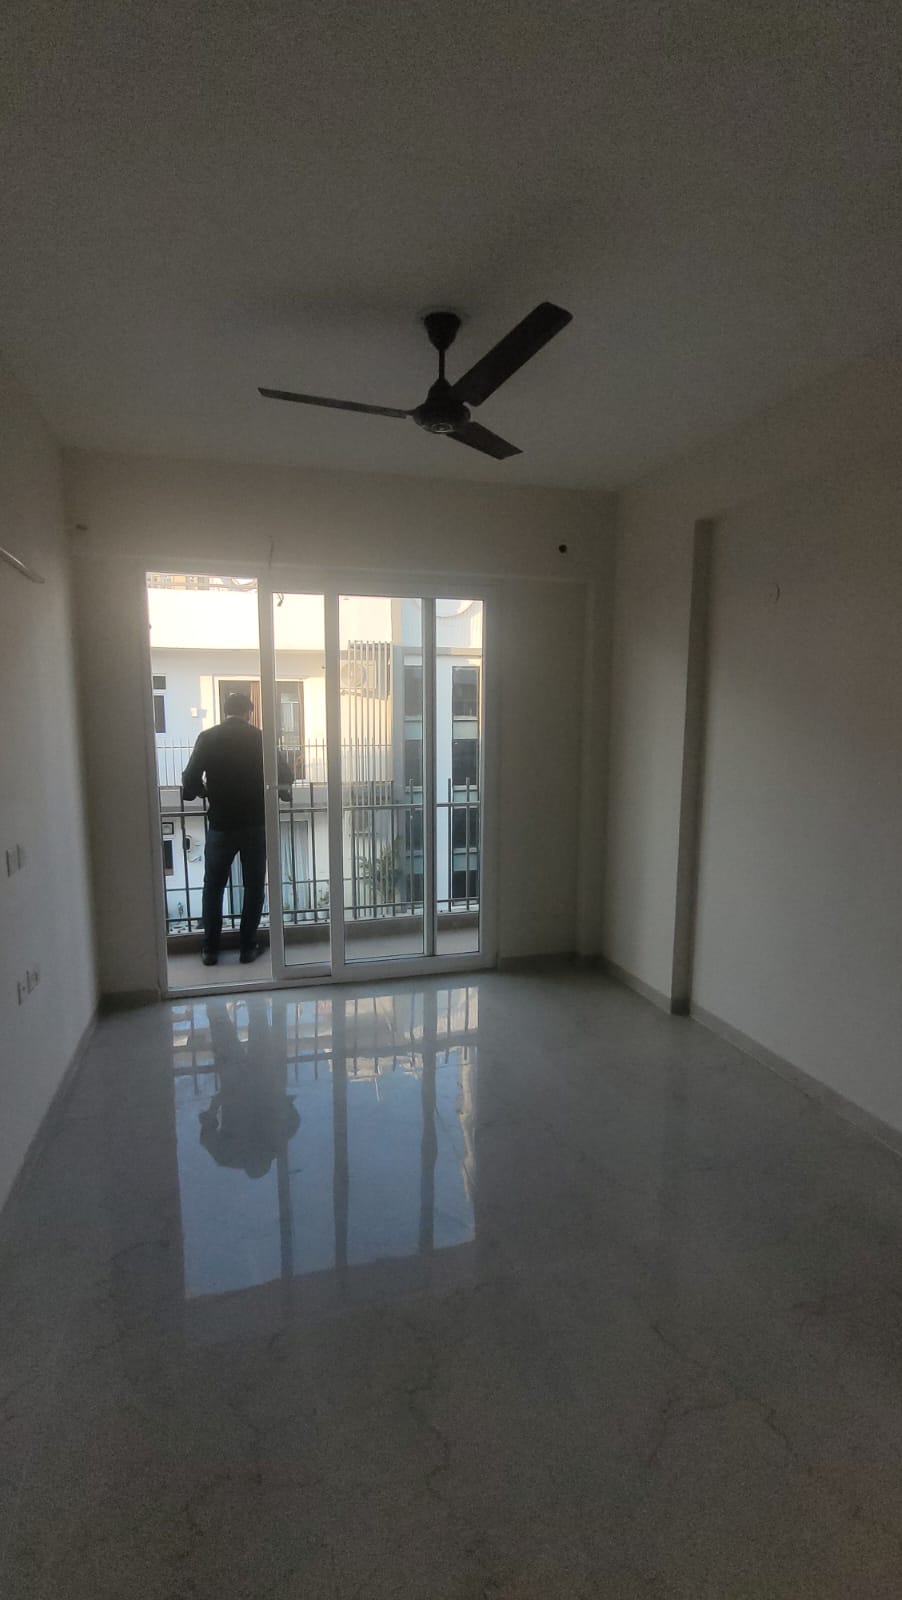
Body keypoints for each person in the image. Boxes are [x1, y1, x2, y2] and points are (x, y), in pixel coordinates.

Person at [181, 692, 292, 965]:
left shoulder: (208, 737)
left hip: (221, 824)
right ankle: (247, 947)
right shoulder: (261, 738)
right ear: (248, 713)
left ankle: (210, 950)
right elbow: (286, 775)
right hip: (255, 823)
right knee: (254, 886)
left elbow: (190, 779)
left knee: (213, 887)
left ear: (225, 712)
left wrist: (204, 791)